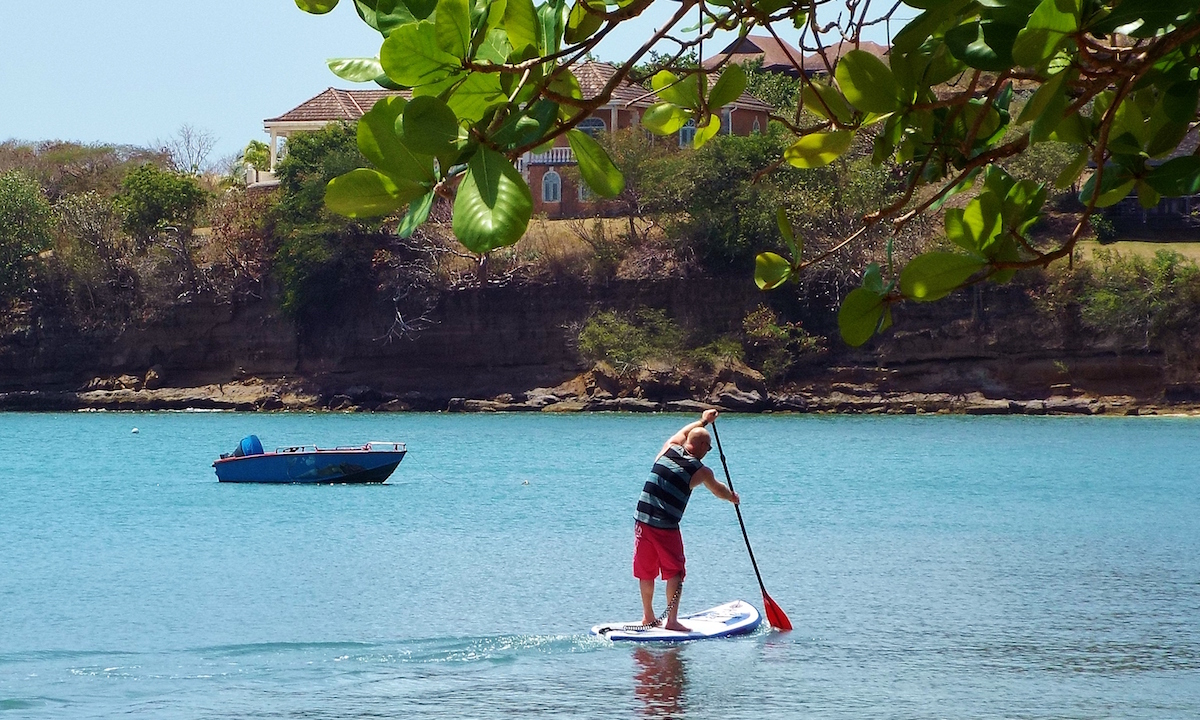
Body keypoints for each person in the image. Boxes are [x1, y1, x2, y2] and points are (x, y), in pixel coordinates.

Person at [633, 408, 739, 631]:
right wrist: (732, 498)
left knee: (646, 569)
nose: (708, 451)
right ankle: (671, 622)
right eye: (708, 448)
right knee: (675, 571)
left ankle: (648, 616)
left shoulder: (669, 448)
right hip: (665, 525)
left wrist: (703, 421)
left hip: (641, 519)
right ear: (701, 446)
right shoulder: (700, 470)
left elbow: (682, 432)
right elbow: (718, 490)